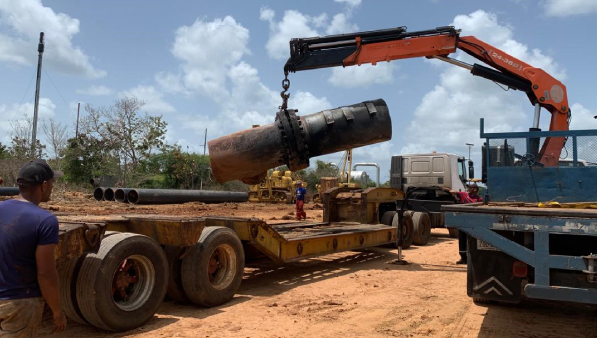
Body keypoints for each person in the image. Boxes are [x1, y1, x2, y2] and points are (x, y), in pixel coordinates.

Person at [0, 159, 67, 337]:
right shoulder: (45, 220)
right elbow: (46, 273)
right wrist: (57, 311)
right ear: (44, 185)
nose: (52, 186)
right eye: (52, 182)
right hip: (19, 303)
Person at [443, 183, 483, 265]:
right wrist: (443, 188)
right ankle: (463, 258)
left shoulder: (479, 199)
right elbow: (452, 192)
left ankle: (472, 259)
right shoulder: (464, 195)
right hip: (463, 222)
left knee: (472, 240)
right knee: (462, 240)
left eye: (470, 188)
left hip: (473, 223)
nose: (468, 189)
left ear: (475, 189)